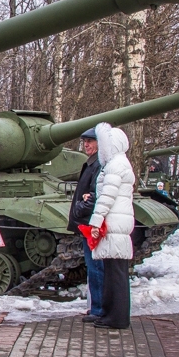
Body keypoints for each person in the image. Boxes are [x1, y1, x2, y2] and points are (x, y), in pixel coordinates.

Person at [88, 122, 135, 330]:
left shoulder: (115, 166)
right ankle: (110, 315)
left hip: (114, 224)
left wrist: (95, 221)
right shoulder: (121, 163)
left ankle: (115, 318)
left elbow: (107, 197)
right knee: (114, 273)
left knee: (115, 275)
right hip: (117, 223)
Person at [67, 127, 104, 321]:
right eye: (85, 141)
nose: (86, 145)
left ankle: (98, 309)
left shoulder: (97, 165)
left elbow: (94, 196)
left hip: (90, 223)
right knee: (95, 266)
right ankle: (97, 307)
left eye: (91, 141)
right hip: (89, 223)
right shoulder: (93, 163)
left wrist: (80, 208)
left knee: (96, 266)